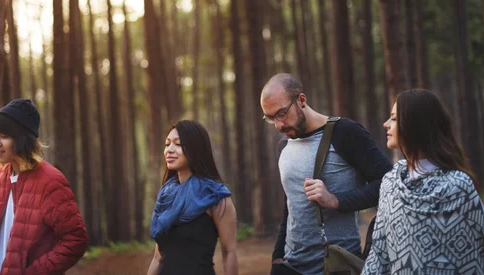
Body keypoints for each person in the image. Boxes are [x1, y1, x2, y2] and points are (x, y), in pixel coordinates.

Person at [362, 89, 484, 274]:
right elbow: (379, 253)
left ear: (414, 125)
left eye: (394, 119)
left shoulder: (458, 185)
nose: (386, 124)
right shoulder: (390, 184)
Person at [260, 73, 392, 275]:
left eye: (282, 113)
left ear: (301, 100)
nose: (278, 125)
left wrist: (336, 200)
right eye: (270, 118)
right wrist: (277, 258)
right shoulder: (284, 145)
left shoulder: (345, 132)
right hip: (289, 266)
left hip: (337, 266)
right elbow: (291, 206)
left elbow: (388, 183)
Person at [0, 98, 88, 275]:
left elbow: (76, 240)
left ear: (22, 139)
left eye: (4, 136)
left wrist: (35, 271)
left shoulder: (50, 181)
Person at [147, 120, 238, 275]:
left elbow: (229, 252)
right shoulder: (166, 196)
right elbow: (158, 257)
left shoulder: (216, 196)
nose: (169, 149)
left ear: (196, 149)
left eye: (178, 144)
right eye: (167, 144)